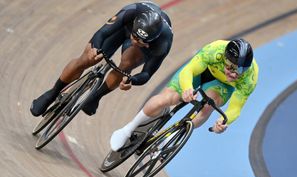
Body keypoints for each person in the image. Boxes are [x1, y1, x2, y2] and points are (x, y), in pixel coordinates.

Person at [110, 38, 259, 151]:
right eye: (230, 67)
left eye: (239, 71)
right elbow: (189, 71)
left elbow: (236, 108)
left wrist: (224, 121)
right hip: (202, 71)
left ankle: (173, 136)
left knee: (208, 106)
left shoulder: (249, 79)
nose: (233, 74)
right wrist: (187, 88)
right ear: (225, 58)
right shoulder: (215, 51)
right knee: (169, 98)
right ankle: (127, 129)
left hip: (221, 86)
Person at [30, 2, 173, 117]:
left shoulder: (163, 43)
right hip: (122, 28)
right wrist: (94, 49)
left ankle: (95, 97)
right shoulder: (132, 11)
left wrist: (131, 80)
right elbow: (102, 33)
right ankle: (52, 93)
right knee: (87, 59)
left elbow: (147, 74)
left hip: (142, 46)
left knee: (127, 64)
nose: (136, 41)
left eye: (140, 40)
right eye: (135, 37)